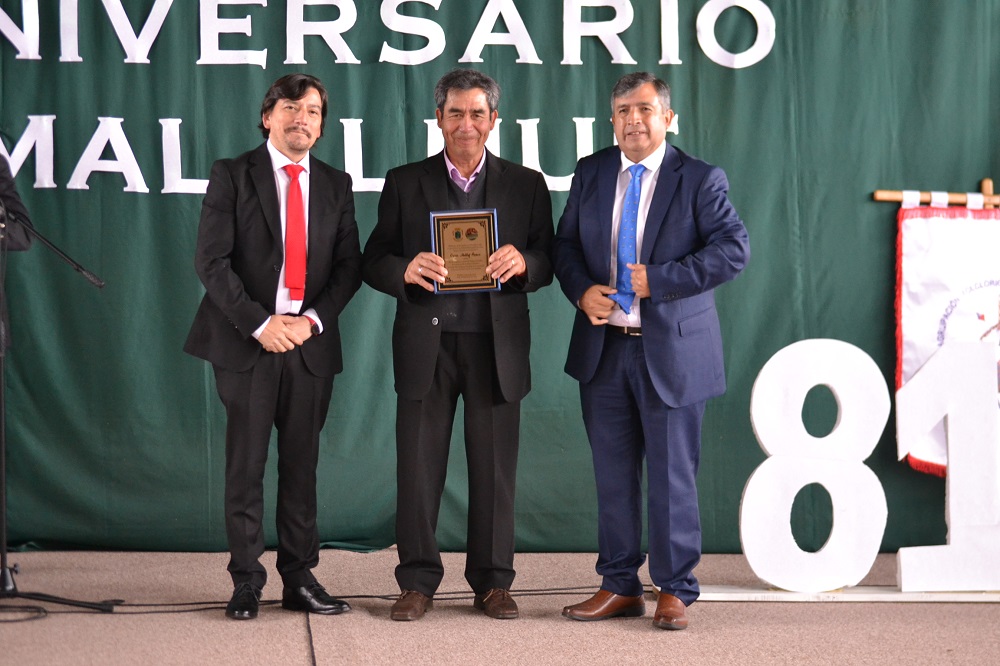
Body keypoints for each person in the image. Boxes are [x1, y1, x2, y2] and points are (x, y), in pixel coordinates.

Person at [552, 72, 749, 630]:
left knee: (671, 478)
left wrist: (657, 280)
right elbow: (565, 246)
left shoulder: (700, 179)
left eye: (643, 109)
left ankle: (675, 588)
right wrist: (579, 290)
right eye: (621, 111)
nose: (632, 120)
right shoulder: (591, 172)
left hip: (674, 353)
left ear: (667, 117)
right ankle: (619, 584)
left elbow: (734, 250)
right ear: (611, 119)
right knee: (612, 476)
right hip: (604, 348)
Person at [362, 68, 553, 621]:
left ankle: (493, 581)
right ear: (438, 119)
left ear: (494, 120)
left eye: (476, 113)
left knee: (495, 470)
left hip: (498, 347)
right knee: (418, 469)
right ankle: (417, 581)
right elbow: (373, 259)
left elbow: (550, 258)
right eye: (454, 113)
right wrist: (405, 268)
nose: (465, 124)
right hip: (428, 346)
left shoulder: (526, 184)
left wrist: (525, 262)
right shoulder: (404, 181)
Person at [184, 73, 362, 620]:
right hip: (247, 342)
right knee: (246, 464)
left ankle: (299, 577)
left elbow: (348, 268)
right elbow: (210, 262)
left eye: (313, 111)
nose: (301, 118)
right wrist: (262, 325)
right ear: (267, 116)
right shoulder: (233, 174)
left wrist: (309, 322)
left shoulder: (336, 182)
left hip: (308, 344)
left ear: (322, 126)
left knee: (302, 466)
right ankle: (246, 579)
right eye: (290, 107)